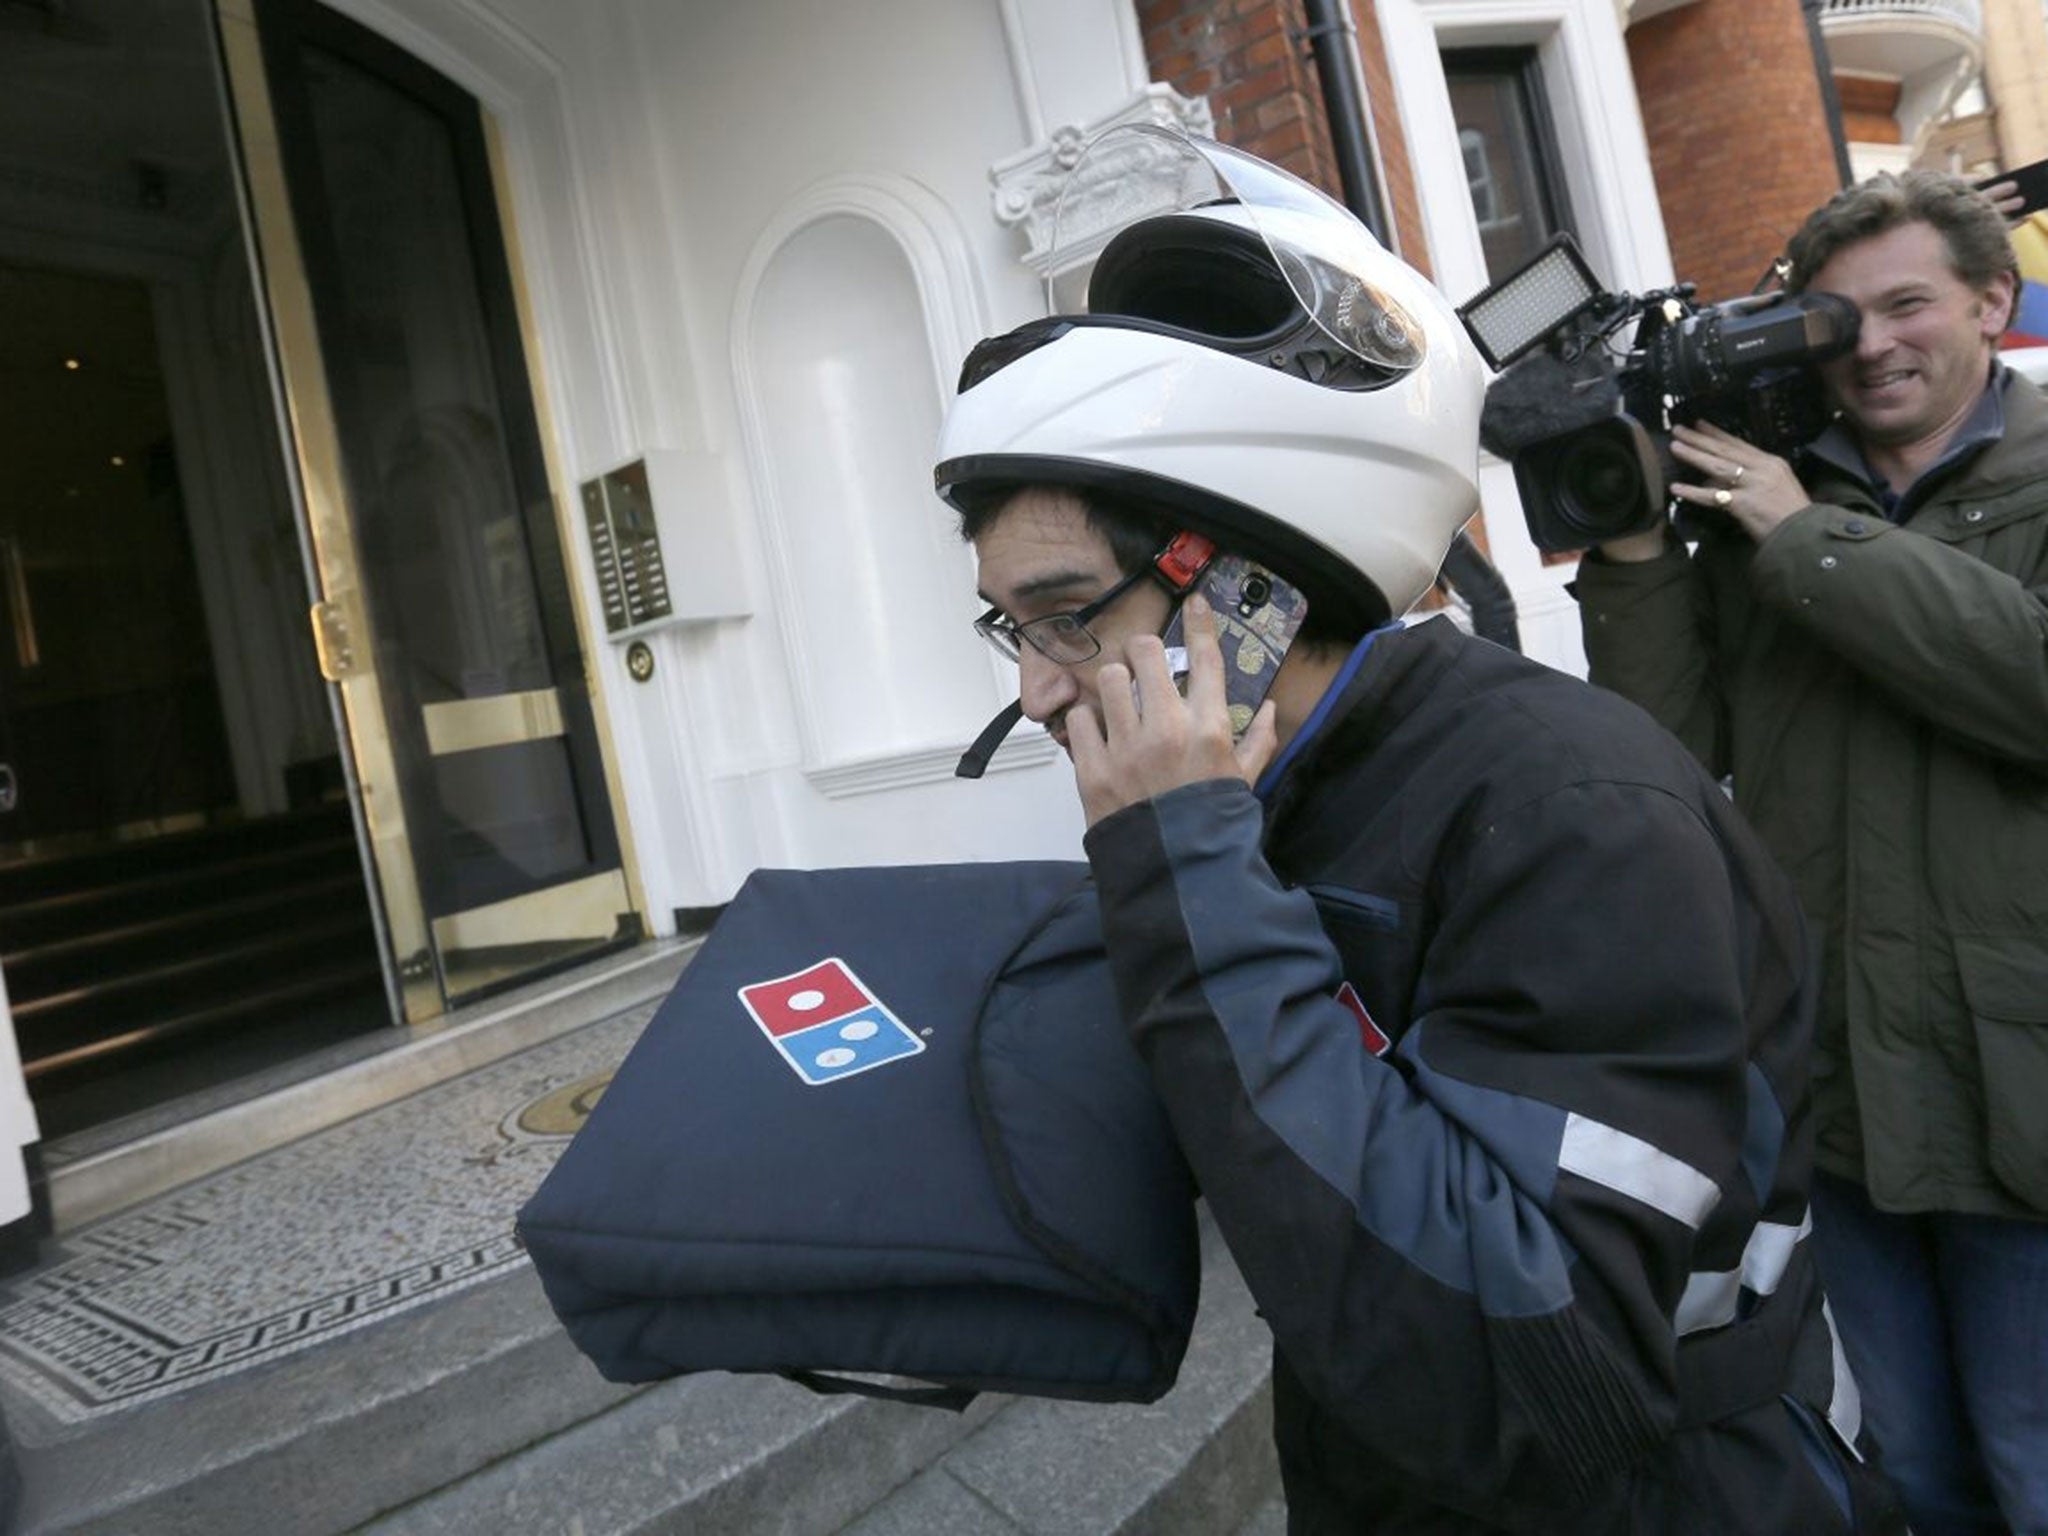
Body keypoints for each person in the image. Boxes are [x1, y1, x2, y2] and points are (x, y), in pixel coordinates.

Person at [935, 130, 1902, 1534]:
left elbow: (1523, 1383)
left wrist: (1185, 880)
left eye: (1070, 613)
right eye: (1008, 627)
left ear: (1246, 591)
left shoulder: (1574, 817)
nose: (1033, 689)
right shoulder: (1260, 795)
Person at [1574, 168, 2048, 1535]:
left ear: (1991, 301)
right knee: (1915, 1462)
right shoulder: (1760, 504)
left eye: (1909, 305)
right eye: (1836, 321)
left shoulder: (1821, 510)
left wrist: (1805, 534)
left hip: (2019, 1092)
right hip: (1836, 1091)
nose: (1875, 344)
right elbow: (1658, 742)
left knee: (2033, 1457)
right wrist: (1633, 544)